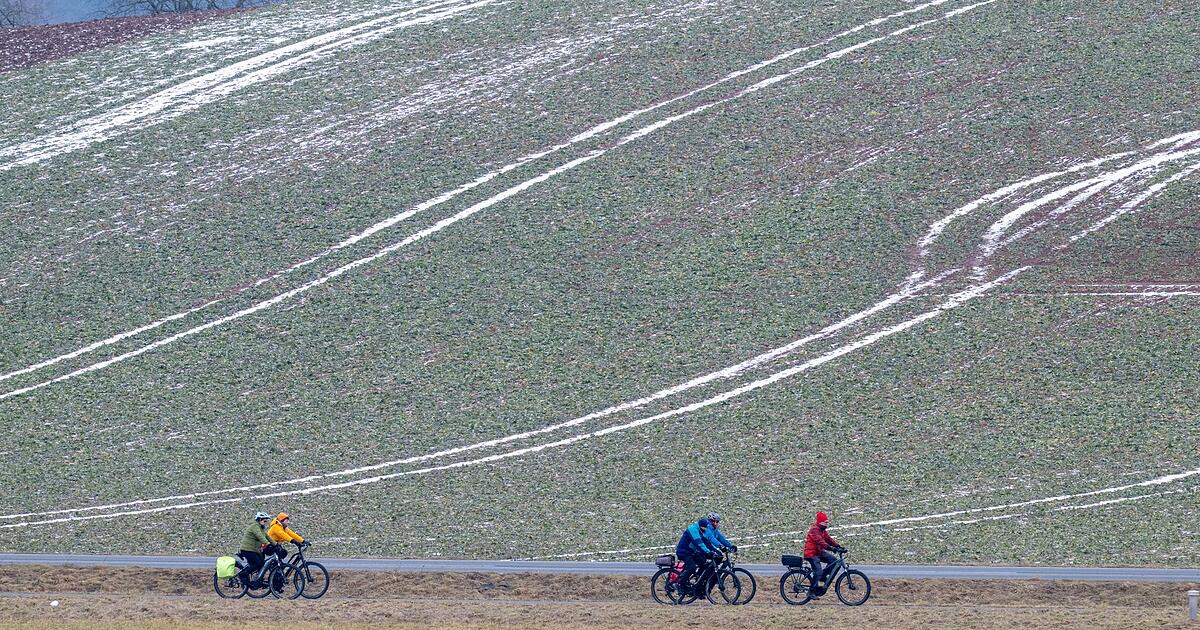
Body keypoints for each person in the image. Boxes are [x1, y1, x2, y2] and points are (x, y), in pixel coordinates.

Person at [804, 511, 845, 596]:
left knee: (834, 561)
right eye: (825, 522)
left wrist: (838, 546)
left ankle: (822, 576)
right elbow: (821, 542)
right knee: (818, 571)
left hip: (818, 552)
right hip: (811, 553)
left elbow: (828, 539)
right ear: (820, 522)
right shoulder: (815, 530)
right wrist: (831, 548)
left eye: (827, 522)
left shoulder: (822, 530)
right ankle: (811, 591)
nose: (826, 524)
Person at [675, 518, 720, 595]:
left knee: (704, 564)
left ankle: (697, 584)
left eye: (706, 528)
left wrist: (716, 550)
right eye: (704, 528)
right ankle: (680, 584)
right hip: (683, 552)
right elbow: (699, 543)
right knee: (692, 567)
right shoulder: (693, 530)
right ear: (700, 526)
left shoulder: (700, 530)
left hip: (691, 552)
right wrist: (708, 552)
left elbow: (706, 542)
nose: (705, 529)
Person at [236, 511, 275, 587]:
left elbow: (267, 537)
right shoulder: (255, 526)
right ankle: (242, 575)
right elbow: (260, 536)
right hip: (247, 549)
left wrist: (276, 545)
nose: (266, 522)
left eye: (266, 521)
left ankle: (258, 581)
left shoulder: (261, 528)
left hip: (254, 550)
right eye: (264, 520)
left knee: (262, 563)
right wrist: (268, 544)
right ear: (259, 519)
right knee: (257, 563)